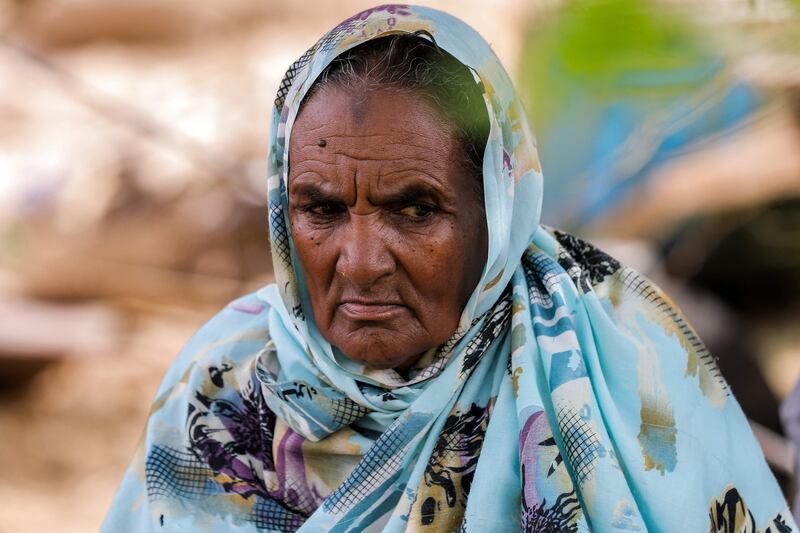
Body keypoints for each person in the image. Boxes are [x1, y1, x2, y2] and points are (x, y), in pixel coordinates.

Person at [103, 5, 794, 532]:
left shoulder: (619, 362)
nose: (363, 261)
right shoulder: (223, 387)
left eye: (415, 209)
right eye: (321, 208)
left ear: (498, 213)